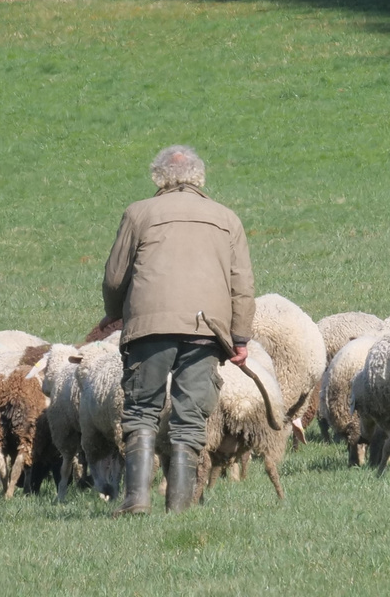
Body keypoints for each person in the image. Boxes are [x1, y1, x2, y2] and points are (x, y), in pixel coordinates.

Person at [96, 144, 255, 515]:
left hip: (150, 328)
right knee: (189, 418)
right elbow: (242, 284)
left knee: (140, 411)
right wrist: (241, 337)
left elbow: (114, 276)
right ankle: (179, 508)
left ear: (159, 176)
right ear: (199, 177)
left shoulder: (138, 213)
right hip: (207, 330)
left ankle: (136, 499)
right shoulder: (226, 218)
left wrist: (114, 312)